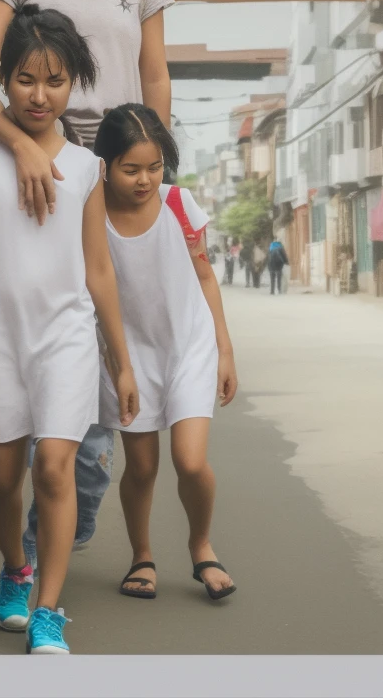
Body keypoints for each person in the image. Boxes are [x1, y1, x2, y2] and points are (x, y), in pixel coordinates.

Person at [0, 0, 175, 569]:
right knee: (41, 331)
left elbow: (154, 81)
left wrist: (151, 172)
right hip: (38, 175)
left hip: (115, 181)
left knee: (111, 332)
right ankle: (45, 500)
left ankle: (73, 491)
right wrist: (24, 147)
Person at [0, 6, 139, 656]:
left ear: (72, 83)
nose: (39, 95)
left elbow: (99, 270)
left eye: (54, 81)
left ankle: (48, 608)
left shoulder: (85, 169)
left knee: (54, 470)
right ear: (4, 81)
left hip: (65, 340)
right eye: (24, 79)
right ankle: (14, 569)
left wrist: (121, 361)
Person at [94, 104, 238, 602]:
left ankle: (201, 545)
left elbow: (204, 276)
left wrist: (224, 349)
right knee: (142, 468)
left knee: (191, 461)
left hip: (189, 347)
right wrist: (119, 364)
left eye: (153, 167)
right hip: (128, 358)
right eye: (130, 169)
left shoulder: (179, 204)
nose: (143, 180)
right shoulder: (92, 213)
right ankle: (142, 556)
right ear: (105, 165)